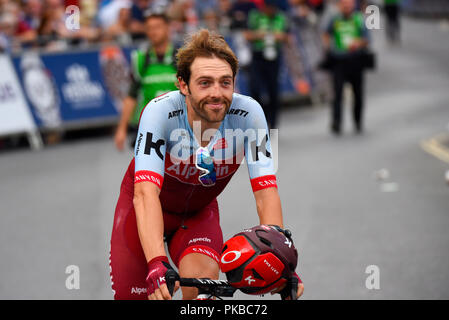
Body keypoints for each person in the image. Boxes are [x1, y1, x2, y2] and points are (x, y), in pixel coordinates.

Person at [109, 28, 304, 300]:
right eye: (205, 83)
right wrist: (156, 262)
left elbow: (265, 192)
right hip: (142, 208)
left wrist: (281, 261)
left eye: (225, 82)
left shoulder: (250, 114)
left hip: (198, 214)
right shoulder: (159, 112)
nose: (216, 93)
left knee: (202, 297)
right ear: (183, 84)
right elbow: (145, 194)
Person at [114, 9, 178, 151]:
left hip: (177, 126)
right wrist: (121, 129)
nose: (153, 32)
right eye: (149, 28)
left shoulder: (182, 57)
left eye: (157, 27)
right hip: (148, 126)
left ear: (167, 28)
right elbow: (132, 95)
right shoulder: (140, 59)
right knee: (148, 171)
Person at [322, 0, 369, 135]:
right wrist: (328, 47)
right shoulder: (334, 19)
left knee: (358, 94)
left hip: (356, 61)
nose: (347, 8)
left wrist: (357, 43)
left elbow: (367, 40)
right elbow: (325, 33)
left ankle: (358, 121)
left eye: (349, 5)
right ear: (340, 6)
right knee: (337, 94)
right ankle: (336, 123)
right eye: (345, 5)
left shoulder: (359, 19)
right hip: (339, 61)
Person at [244, 0, 288, 129]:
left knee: (273, 90)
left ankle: (273, 122)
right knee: (255, 88)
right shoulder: (255, 16)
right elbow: (247, 35)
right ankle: (260, 117)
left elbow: (288, 37)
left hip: (274, 56)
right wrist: (259, 35)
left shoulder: (281, 17)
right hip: (258, 55)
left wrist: (280, 36)